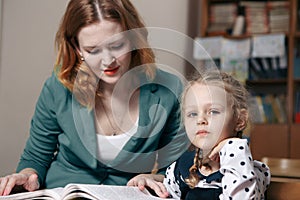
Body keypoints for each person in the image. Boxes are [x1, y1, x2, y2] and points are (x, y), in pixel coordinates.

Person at [0, 0, 189, 197]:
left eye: (117, 45)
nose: (108, 61)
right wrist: (27, 176)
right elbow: (36, 158)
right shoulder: (58, 87)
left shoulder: (169, 89)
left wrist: (156, 178)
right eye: (93, 50)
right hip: (63, 194)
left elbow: (175, 166)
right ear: (77, 48)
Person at [163, 70, 271, 199]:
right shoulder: (180, 168)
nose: (200, 120)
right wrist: (145, 183)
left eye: (213, 111)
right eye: (192, 114)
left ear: (240, 120)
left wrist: (233, 146)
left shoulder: (250, 171)